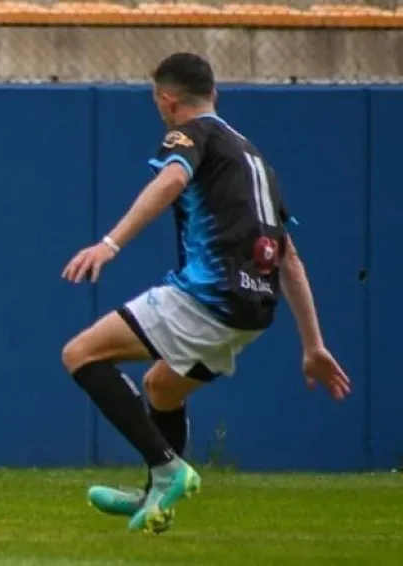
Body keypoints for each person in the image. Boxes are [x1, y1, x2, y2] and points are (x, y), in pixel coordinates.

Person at [58, 52, 351, 534]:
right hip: (252, 313)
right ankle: (158, 498)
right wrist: (313, 344)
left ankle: (168, 468)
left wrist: (109, 244)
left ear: (166, 100)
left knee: (81, 355)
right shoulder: (255, 159)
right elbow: (289, 257)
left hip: (208, 297)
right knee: (161, 388)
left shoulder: (190, 134)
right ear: (214, 92)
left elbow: (172, 178)